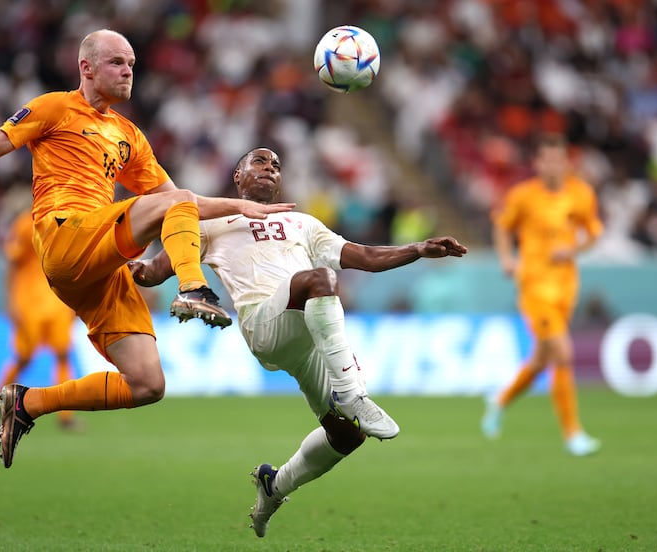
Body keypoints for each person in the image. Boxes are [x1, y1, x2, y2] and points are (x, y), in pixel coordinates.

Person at [0, 29, 293, 469]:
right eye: (117, 63)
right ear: (86, 68)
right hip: (65, 235)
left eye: (131, 64)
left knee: (147, 384)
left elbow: (181, 201)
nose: (128, 71)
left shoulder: (129, 135)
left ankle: (27, 404)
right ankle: (192, 289)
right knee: (175, 204)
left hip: (99, 264)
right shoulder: (54, 107)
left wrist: (241, 206)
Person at [130, 147, 468, 538]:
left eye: (276, 165)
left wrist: (418, 249)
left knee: (347, 436)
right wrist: (120, 263)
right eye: (260, 162)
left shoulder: (303, 224)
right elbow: (155, 271)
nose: (270, 169)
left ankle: (275, 486)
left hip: (309, 336)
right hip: (264, 324)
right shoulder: (211, 221)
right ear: (237, 176)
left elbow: (365, 257)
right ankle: (350, 392)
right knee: (318, 279)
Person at [483, 133, 604, 456]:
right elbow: (502, 226)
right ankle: (573, 434)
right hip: (534, 286)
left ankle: (500, 399)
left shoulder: (581, 194)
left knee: (541, 359)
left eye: (558, 159)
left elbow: (593, 233)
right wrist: (507, 259)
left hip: (566, 287)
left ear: (566, 162)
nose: (552, 166)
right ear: (537, 163)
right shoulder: (523, 196)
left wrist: (573, 249)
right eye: (546, 159)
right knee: (562, 353)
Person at [0, 206, 79, 430]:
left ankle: (66, 416)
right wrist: (12, 303)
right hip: (30, 304)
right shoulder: (26, 223)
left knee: (63, 355)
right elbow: (13, 263)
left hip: (58, 302)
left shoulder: (70, 221)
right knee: (24, 358)